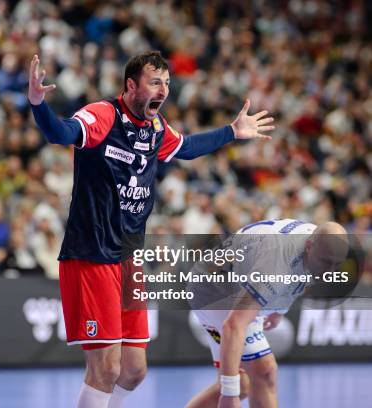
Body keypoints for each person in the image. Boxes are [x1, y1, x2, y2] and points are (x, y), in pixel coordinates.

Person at [27, 50, 275, 408]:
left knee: (134, 370)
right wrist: (38, 104)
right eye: (155, 82)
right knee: (105, 369)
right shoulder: (102, 115)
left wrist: (232, 132)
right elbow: (61, 132)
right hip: (92, 255)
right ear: (132, 85)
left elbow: (187, 147)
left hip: (128, 258)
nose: (163, 90)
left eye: (167, 83)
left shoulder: (155, 129)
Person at [185, 219, 349, 408]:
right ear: (310, 246)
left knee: (246, 383)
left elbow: (304, 274)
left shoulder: (321, 245)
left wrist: (280, 309)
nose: (330, 271)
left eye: (337, 264)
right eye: (326, 262)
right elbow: (233, 325)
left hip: (238, 278)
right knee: (262, 372)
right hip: (213, 290)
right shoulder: (277, 263)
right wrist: (229, 396)